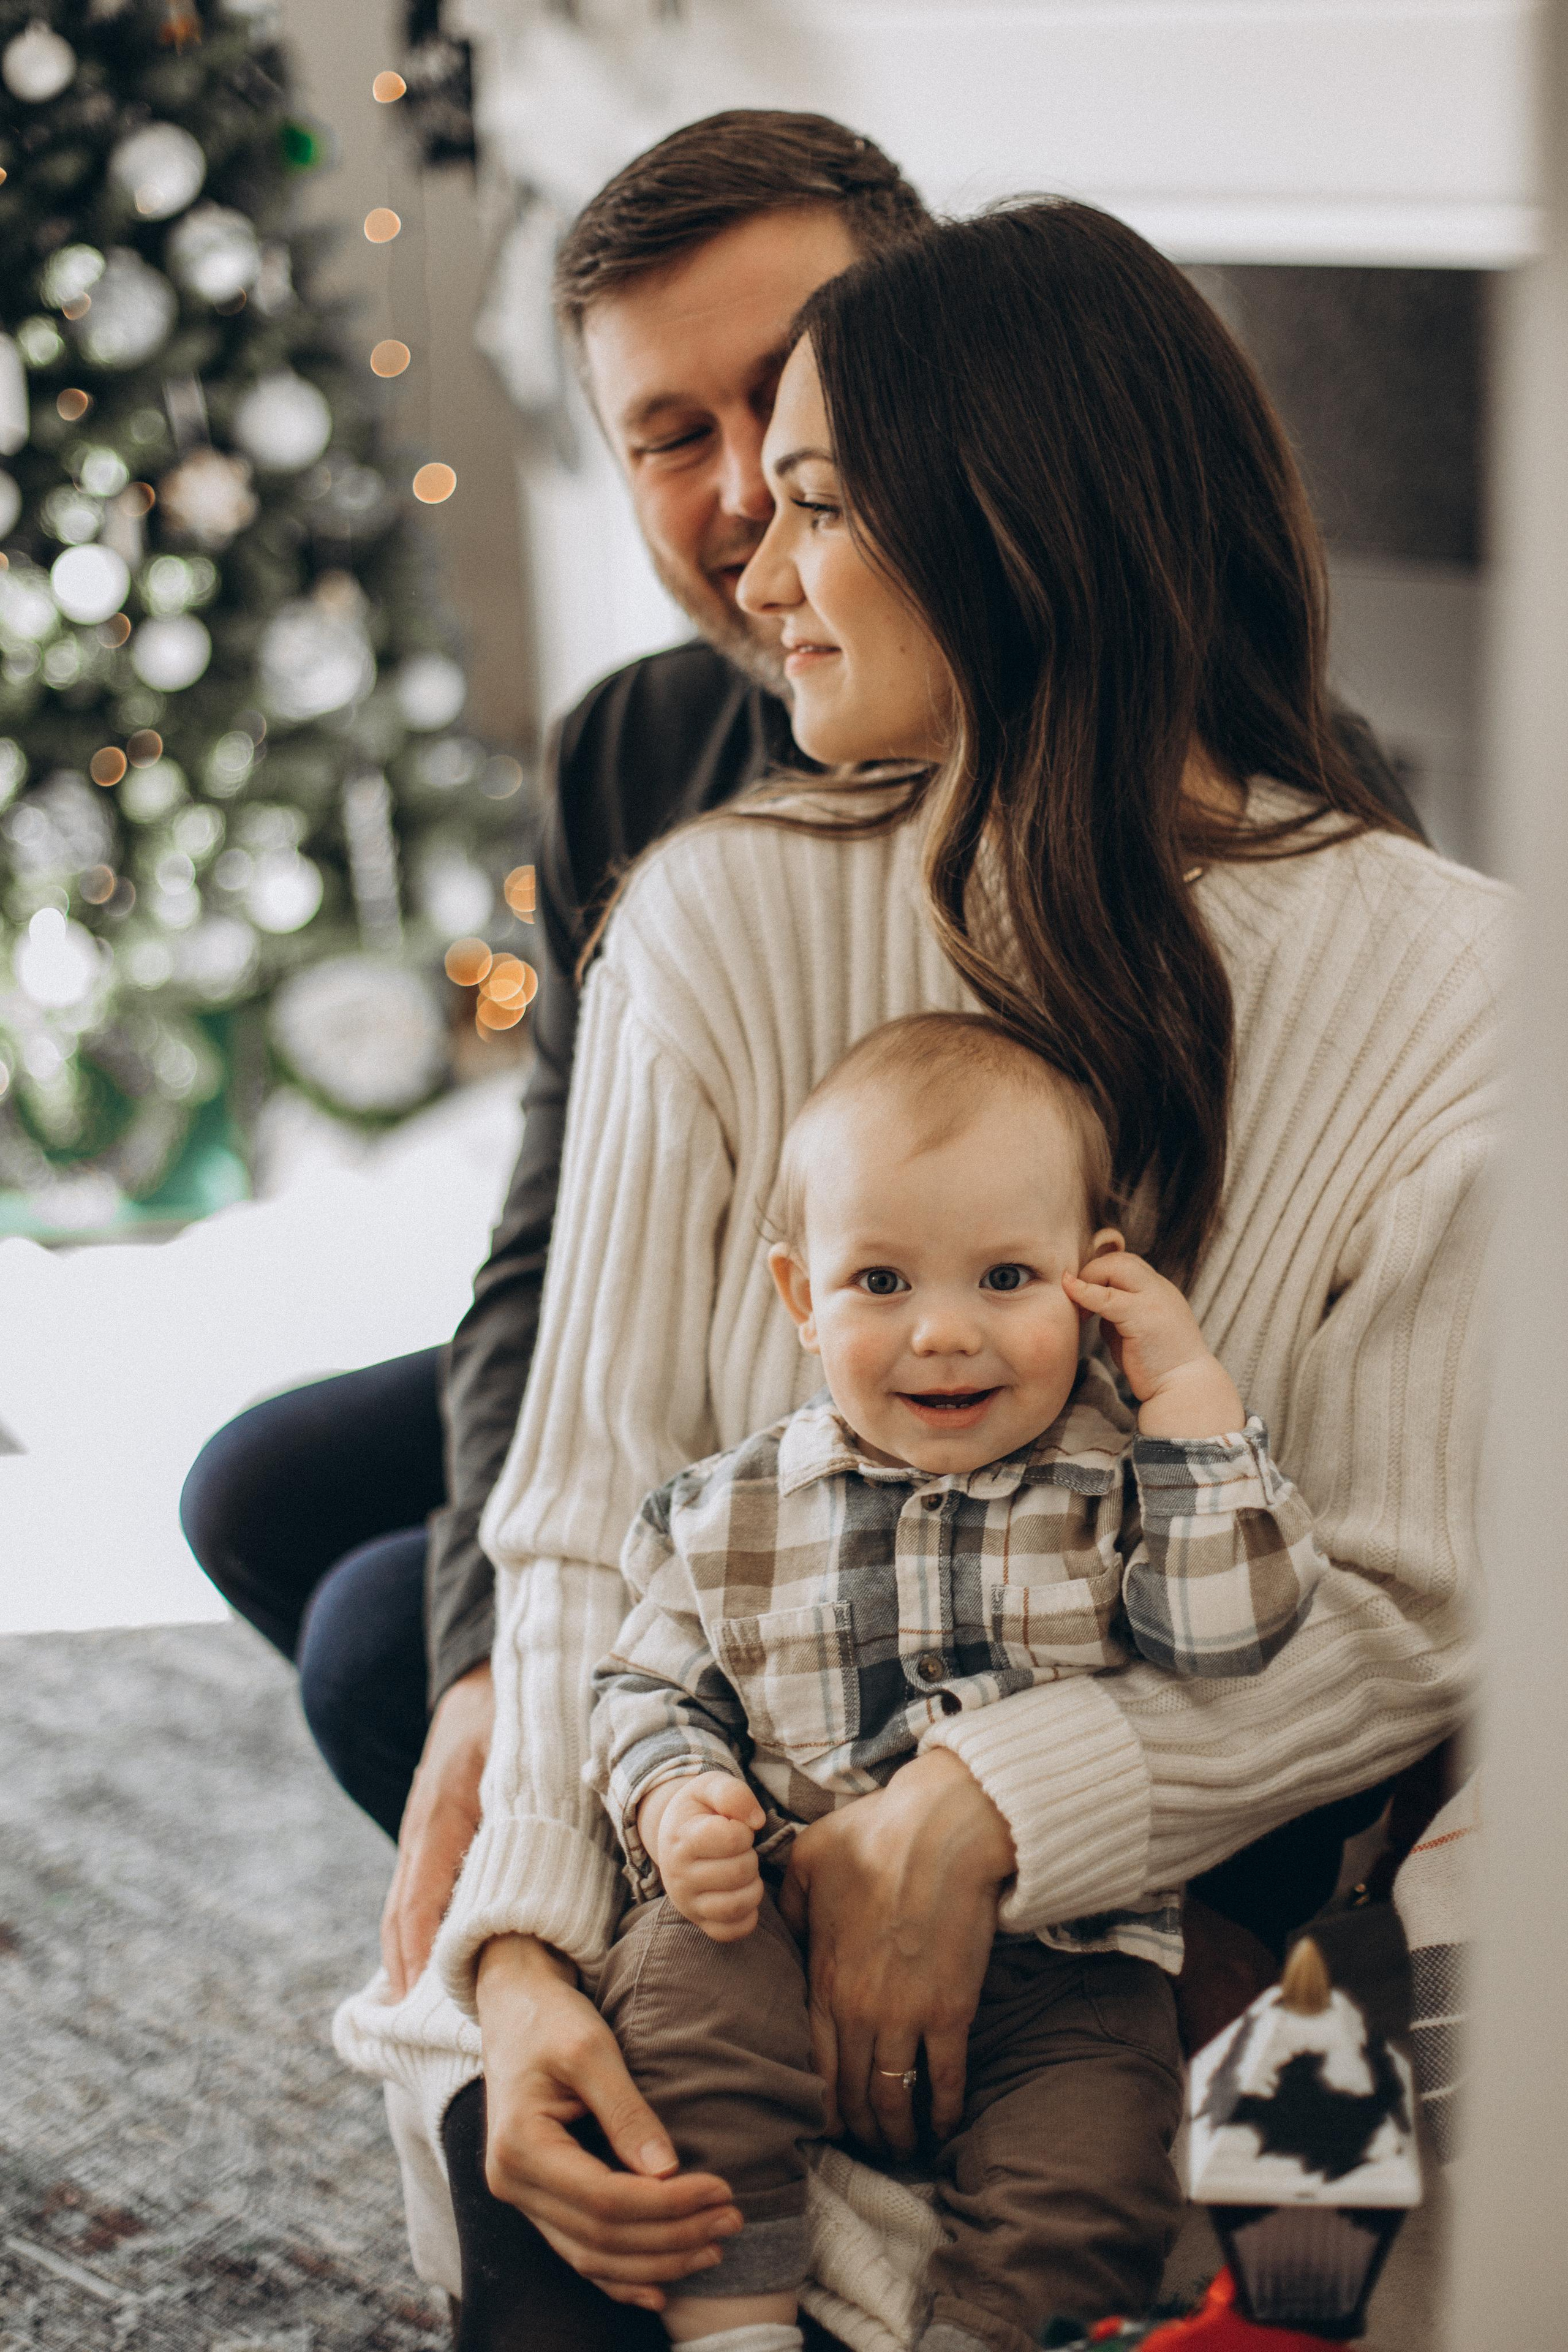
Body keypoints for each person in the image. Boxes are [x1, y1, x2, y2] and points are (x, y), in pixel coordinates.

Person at [334, 199, 1502, 2351]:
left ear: (1012, 528)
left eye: (809, 504)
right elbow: (593, 1508)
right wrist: (511, 1955)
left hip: (1131, 1943)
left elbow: (1415, 1603)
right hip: (706, 1884)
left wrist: (987, 1809)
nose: (753, 579)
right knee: (569, 2241)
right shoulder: (709, 919)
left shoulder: (1456, 991)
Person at [180, 108, 1415, 1981]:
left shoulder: (1249, 819)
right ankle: (635, 1868)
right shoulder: (633, 759)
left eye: (797, 414)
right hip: (723, 1318)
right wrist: (490, 1674)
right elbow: (547, 1242)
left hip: (975, 1403)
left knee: (366, 1626)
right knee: (287, 1516)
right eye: (673, 437)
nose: (750, 497)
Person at [584, 1011, 1338, 2351]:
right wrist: (678, 1802)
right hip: (781, 1901)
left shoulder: (1124, 1484)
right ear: (799, 1299)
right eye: (879, 1282)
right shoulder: (728, 1511)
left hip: (1067, 1954)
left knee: (1098, 2171)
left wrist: (1185, 1394)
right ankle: (737, 2319)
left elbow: (1233, 1634)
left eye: (1002, 1277)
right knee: (676, 2000)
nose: (941, 1334)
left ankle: (986, 2333)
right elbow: (641, 1689)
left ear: (1091, 1282)